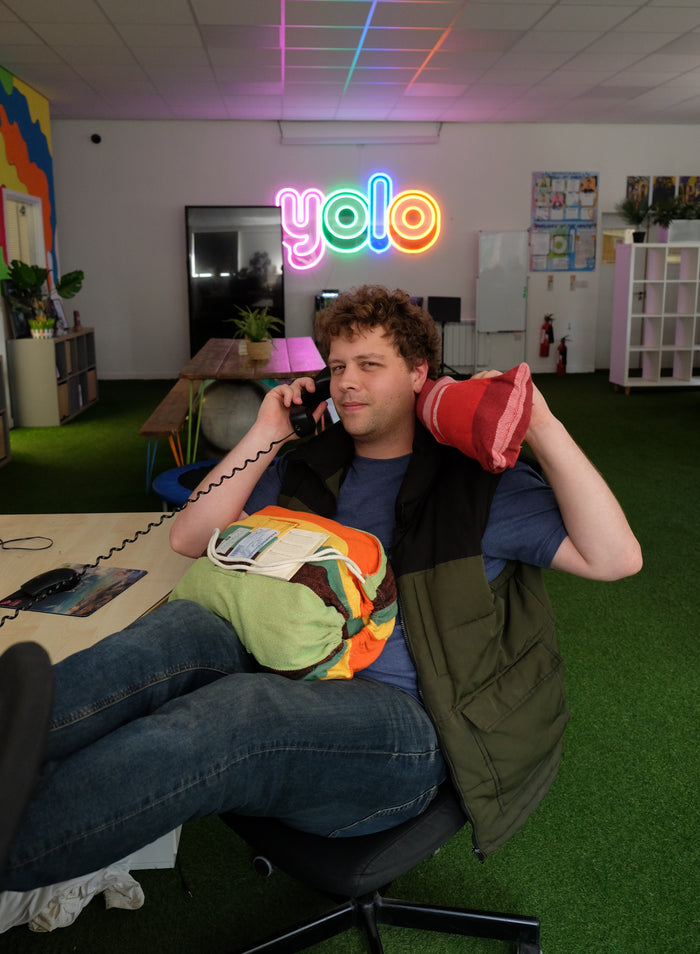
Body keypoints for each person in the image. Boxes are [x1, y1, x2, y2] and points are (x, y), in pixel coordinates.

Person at [2, 286, 641, 893]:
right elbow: (189, 536)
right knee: (180, 626)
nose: (347, 382)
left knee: (241, 709)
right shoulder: (313, 462)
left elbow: (615, 558)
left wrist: (539, 425)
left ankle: (15, 842)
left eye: (370, 364)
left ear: (420, 373)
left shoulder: (476, 486)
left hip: (405, 729)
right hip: (294, 666)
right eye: (337, 367)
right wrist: (267, 433)